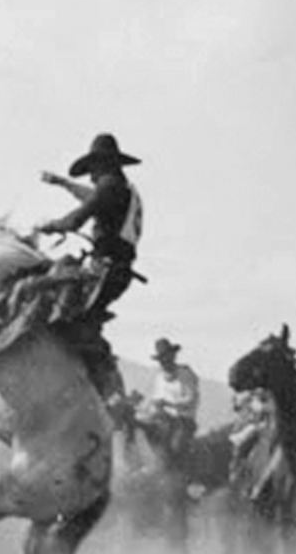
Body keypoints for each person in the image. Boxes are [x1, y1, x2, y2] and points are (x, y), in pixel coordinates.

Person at [37, 132, 145, 325]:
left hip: (104, 271)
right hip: (117, 272)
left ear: (101, 164)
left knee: (43, 289)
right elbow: (90, 196)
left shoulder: (110, 187)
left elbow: (75, 220)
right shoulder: (122, 190)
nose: (91, 177)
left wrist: (52, 225)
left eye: (91, 170)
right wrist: (63, 183)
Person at [140, 337, 201, 464]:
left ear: (173, 356)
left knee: (176, 448)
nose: (164, 362)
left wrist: (169, 404)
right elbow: (155, 400)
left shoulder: (186, 374)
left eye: (167, 357)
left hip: (183, 421)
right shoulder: (159, 377)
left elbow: (191, 400)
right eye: (162, 359)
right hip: (162, 419)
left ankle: (180, 473)